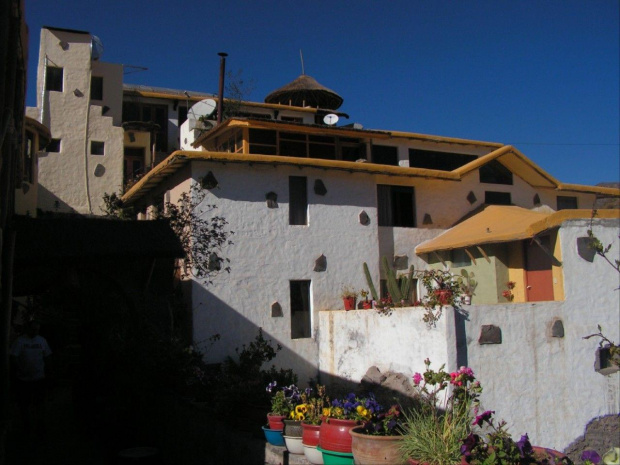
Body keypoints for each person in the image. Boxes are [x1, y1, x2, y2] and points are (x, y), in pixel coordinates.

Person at [10, 320, 52, 438]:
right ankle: (26, 425)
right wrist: (20, 369)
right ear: (28, 329)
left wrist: (48, 371)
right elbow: (14, 357)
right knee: (25, 404)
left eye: (37, 329)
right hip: (24, 379)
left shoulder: (42, 340)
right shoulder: (20, 341)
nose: (35, 331)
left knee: (39, 403)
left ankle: (39, 425)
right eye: (34, 329)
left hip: (38, 377)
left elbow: (47, 356)